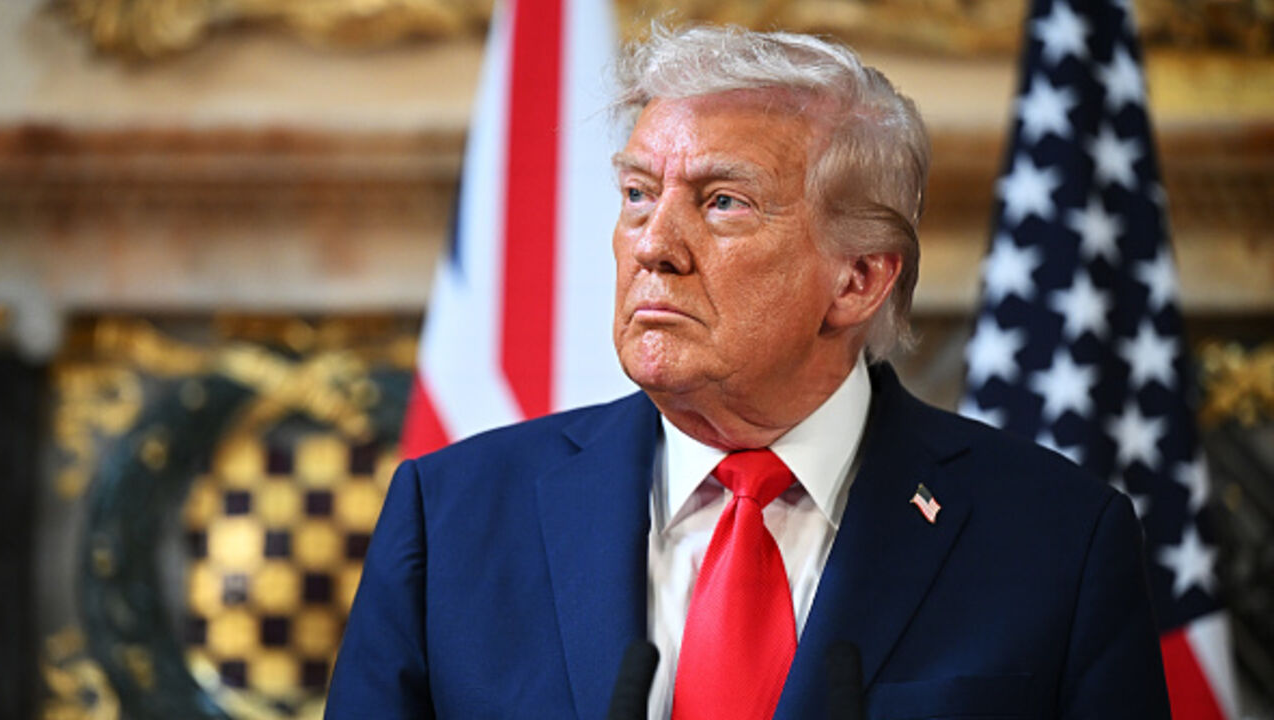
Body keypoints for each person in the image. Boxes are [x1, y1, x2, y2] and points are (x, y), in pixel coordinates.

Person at [325, 25, 1170, 720]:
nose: (654, 245)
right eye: (637, 194)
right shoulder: (453, 519)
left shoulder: (1058, 540)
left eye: (722, 202)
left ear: (858, 280)